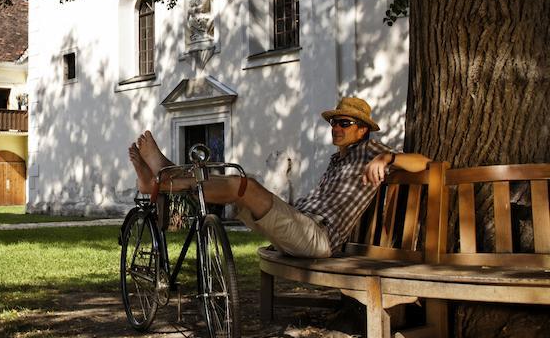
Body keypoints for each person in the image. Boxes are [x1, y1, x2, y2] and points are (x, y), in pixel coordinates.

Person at [128, 97, 431, 259]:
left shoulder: (371, 151)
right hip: (300, 224)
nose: (336, 127)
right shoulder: (337, 160)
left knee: (240, 185)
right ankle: (168, 175)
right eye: (334, 122)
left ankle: (164, 179)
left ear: (362, 129)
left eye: (344, 123)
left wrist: (388, 157)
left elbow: (425, 163)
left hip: (316, 239)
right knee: (238, 182)